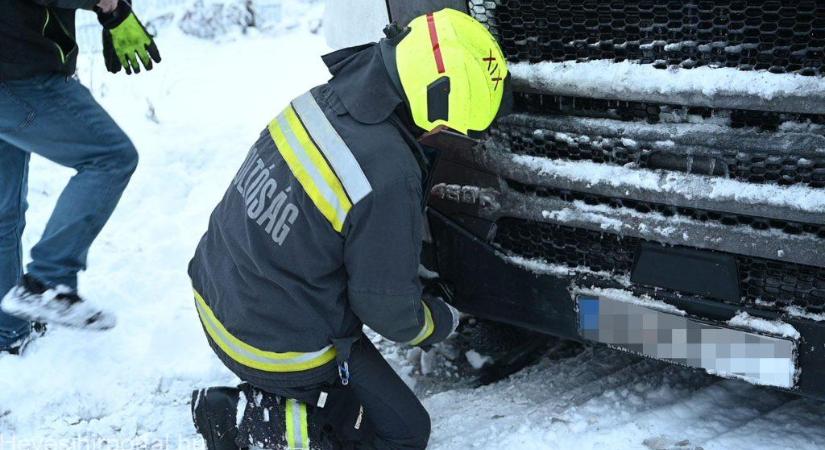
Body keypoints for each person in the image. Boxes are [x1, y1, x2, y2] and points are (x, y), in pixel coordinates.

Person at [188, 8, 510, 450]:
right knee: (403, 431)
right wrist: (441, 319)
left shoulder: (324, 99)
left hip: (219, 295)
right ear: (435, 106)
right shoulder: (388, 171)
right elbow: (389, 314)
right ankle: (248, 421)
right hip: (274, 345)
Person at [0, 0, 161, 354]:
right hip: (19, 72)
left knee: (3, 213)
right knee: (110, 157)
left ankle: (8, 333)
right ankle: (48, 281)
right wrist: (111, 8)